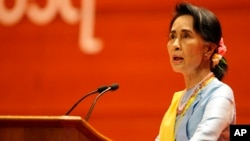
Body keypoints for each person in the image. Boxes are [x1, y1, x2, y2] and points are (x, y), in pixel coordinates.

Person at [155, 2, 236, 141]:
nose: (175, 45)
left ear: (209, 49)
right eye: (172, 36)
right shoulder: (179, 101)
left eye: (186, 36)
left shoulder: (220, 94)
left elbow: (204, 138)